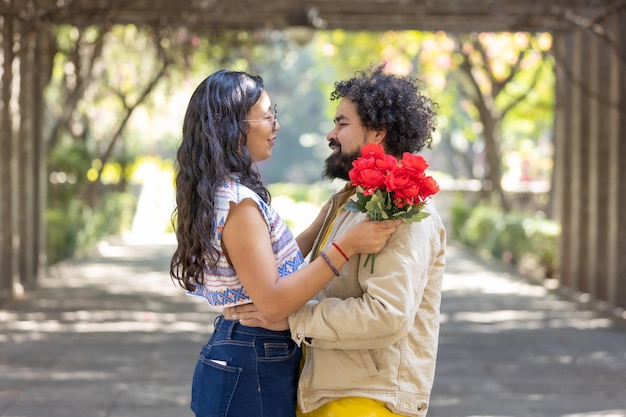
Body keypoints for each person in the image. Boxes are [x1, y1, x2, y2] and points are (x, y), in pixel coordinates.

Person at [169, 69, 401, 417]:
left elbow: (272, 262)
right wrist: (345, 247)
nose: (276, 125)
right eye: (267, 116)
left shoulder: (226, 192)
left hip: (246, 356)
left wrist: (327, 216)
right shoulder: (239, 205)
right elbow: (275, 302)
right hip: (252, 362)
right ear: (234, 125)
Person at [226, 63, 446, 417]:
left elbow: (386, 314)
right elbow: (299, 273)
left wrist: (295, 319)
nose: (331, 134)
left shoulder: (403, 207)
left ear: (377, 132)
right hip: (329, 395)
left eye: (342, 123)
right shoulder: (351, 201)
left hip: (367, 403)